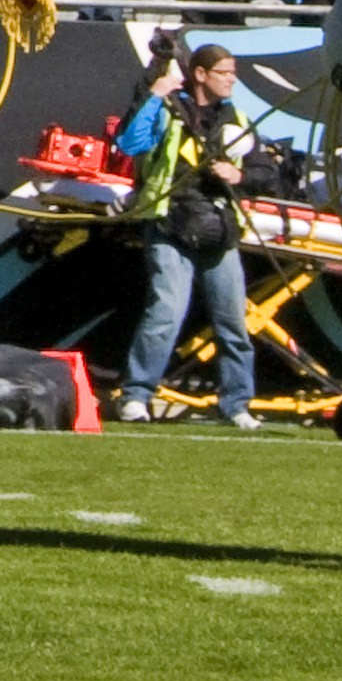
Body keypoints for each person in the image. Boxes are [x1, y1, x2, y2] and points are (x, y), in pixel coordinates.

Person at [114, 40, 276, 424]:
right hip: (171, 224)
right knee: (166, 313)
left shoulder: (236, 118)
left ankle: (236, 404)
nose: (233, 81)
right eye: (225, 73)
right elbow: (130, 141)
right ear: (200, 75)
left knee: (233, 322)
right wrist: (154, 94)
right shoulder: (169, 109)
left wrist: (239, 175)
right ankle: (136, 395)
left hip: (219, 230)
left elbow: (265, 172)